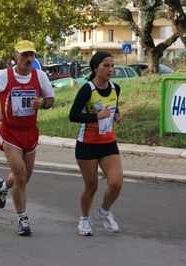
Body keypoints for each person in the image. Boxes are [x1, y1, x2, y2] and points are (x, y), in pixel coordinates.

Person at [0, 40, 54, 236]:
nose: (29, 59)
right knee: (21, 176)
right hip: (10, 132)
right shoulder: (4, 76)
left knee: (24, 178)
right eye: (25, 55)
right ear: (15, 55)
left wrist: (43, 105)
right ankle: (22, 219)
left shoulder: (40, 76)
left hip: (30, 132)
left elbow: (50, 99)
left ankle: (3, 186)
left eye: (32, 55)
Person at [69, 51, 124, 236]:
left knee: (116, 183)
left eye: (112, 66)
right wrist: (95, 116)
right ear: (96, 68)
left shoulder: (115, 88)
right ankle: (84, 219)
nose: (110, 69)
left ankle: (104, 212)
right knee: (91, 187)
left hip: (108, 143)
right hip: (87, 144)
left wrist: (117, 116)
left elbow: (113, 107)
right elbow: (73, 115)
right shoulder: (87, 89)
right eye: (106, 66)